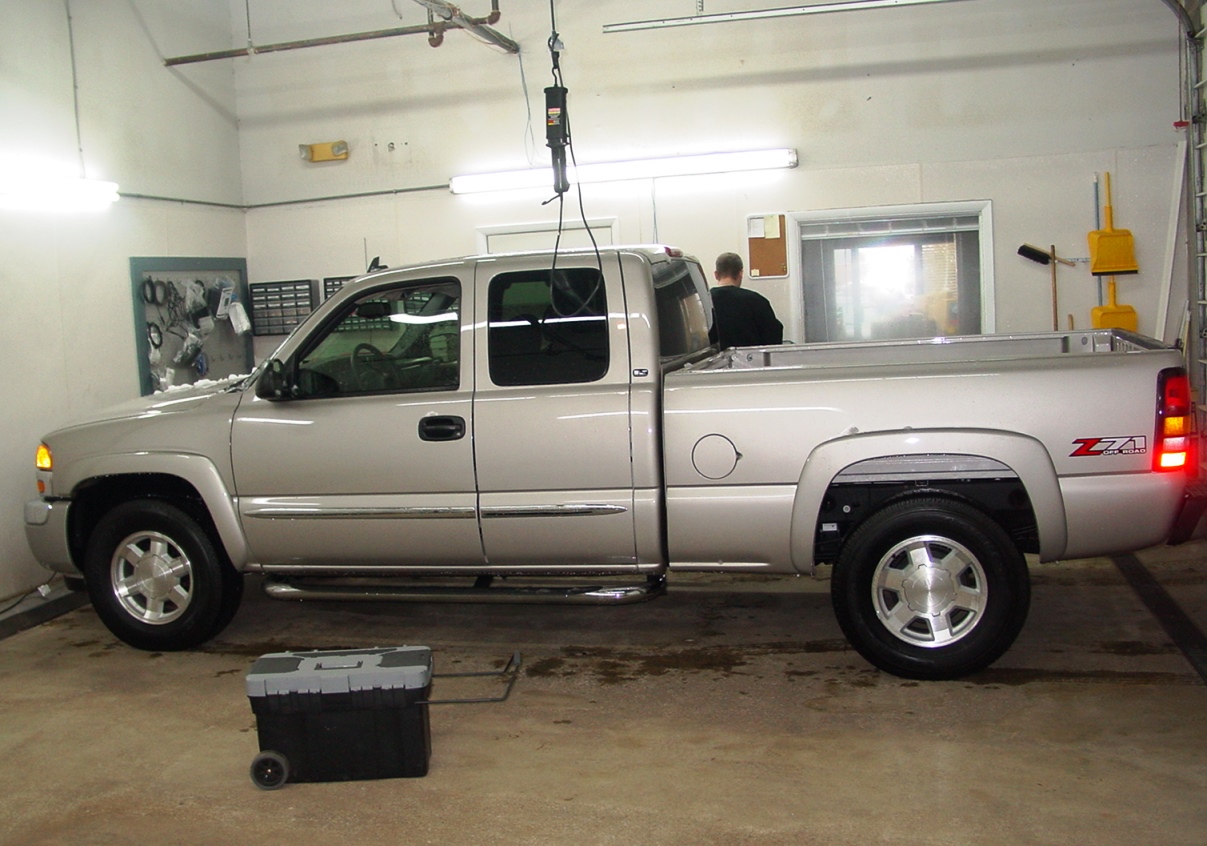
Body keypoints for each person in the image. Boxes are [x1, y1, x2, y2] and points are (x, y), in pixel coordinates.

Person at [709, 251, 783, 348]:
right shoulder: (757, 301)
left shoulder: (704, 301)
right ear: (740, 273)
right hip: (751, 361)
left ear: (716, 275)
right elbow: (774, 336)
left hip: (713, 362)